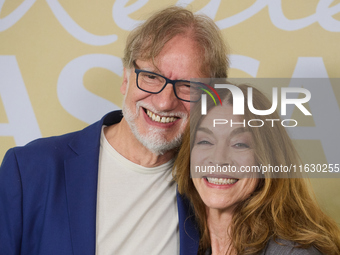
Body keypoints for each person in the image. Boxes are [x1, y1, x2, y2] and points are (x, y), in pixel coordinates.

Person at [0, 6, 229, 255]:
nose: (164, 102)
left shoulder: (217, 185)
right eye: (151, 77)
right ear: (126, 79)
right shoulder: (30, 169)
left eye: (187, 86)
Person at [174, 84, 340, 255]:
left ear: (266, 160)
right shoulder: (183, 243)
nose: (219, 159)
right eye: (205, 141)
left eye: (239, 144)